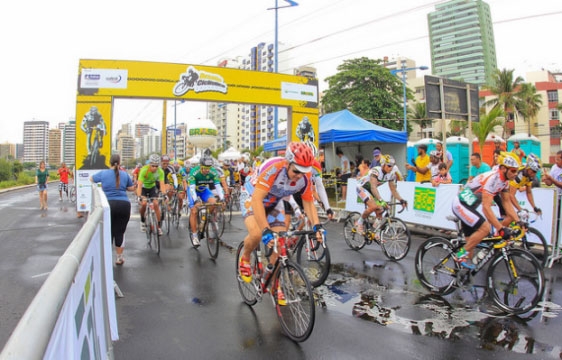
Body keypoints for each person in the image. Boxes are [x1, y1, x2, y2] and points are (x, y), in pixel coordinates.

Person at [238, 142, 324, 302]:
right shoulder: (274, 168)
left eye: (304, 171)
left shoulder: (305, 177)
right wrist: (265, 230)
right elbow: (257, 199)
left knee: (281, 240)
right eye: (296, 171)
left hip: (274, 200)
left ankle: (274, 282)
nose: (300, 175)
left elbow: (309, 202)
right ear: (287, 163)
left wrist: (317, 226)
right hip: (252, 195)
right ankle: (245, 257)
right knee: (256, 233)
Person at [452, 152, 522, 269]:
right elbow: (486, 207)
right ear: (504, 169)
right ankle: (458, 254)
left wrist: (518, 221)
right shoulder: (493, 179)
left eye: (517, 171)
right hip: (461, 204)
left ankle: (462, 276)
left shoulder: (504, 181)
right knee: (485, 228)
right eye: (513, 171)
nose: (515, 174)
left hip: (470, 206)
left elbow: (506, 202)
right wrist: (500, 229)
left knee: (470, 251)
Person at [91, 154, 135, 265]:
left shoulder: (104, 173)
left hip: (108, 204)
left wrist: (101, 188)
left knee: (108, 231)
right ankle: (119, 257)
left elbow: (91, 179)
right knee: (120, 231)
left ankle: (106, 258)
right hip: (124, 205)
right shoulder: (124, 174)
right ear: (119, 163)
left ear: (109, 163)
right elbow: (131, 188)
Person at [354, 155, 407, 233]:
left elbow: (393, 190)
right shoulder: (376, 171)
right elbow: (373, 187)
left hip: (372, 191)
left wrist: (401, 200)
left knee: (380, 210)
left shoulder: (391, 174)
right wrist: (381, 200)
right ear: (383, 165)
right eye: (389, 166)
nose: (391, 168)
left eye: (392, 166)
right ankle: (359, 222)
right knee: (373, 206)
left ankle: (377, 233)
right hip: (362, 187)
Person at [187, 151, 225, 247]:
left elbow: (218, 186)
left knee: (214, 202)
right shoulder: (194, 172)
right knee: (194, 211)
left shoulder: (213, 171)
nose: (207, 171)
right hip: (193, 190)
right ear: (200, 166)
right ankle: (195, 235)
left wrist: (223, 198)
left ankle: (207, 218)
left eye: (209, 168)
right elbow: (191, 189)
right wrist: (195, 201)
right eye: (205, 168)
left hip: (204, 190)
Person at [504, 153, 542, 220]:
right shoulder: (520, 174)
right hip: (501, 190)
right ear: (528, 168)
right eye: (533, 171)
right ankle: (500, 230)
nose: (534, 174)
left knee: (515, 217)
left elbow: (529, 192)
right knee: (511, 217)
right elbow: (511, 195)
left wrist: (534, 207)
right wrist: (520, 209)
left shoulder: (529, 176)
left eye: (536, 172)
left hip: (506, 191)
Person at [137, 154, 166, 235]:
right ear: (150, 164)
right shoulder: (144, 170)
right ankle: (142, 220)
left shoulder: (160, 171)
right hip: (143, 187)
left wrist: (164, 194)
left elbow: (162, 184)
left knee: (156, 204)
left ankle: (159, 227)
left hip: (152, 188)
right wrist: (139, 196)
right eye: (153, 166)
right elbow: (139, 185)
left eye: (156, 166)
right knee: (144, 203)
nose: (155, 168)